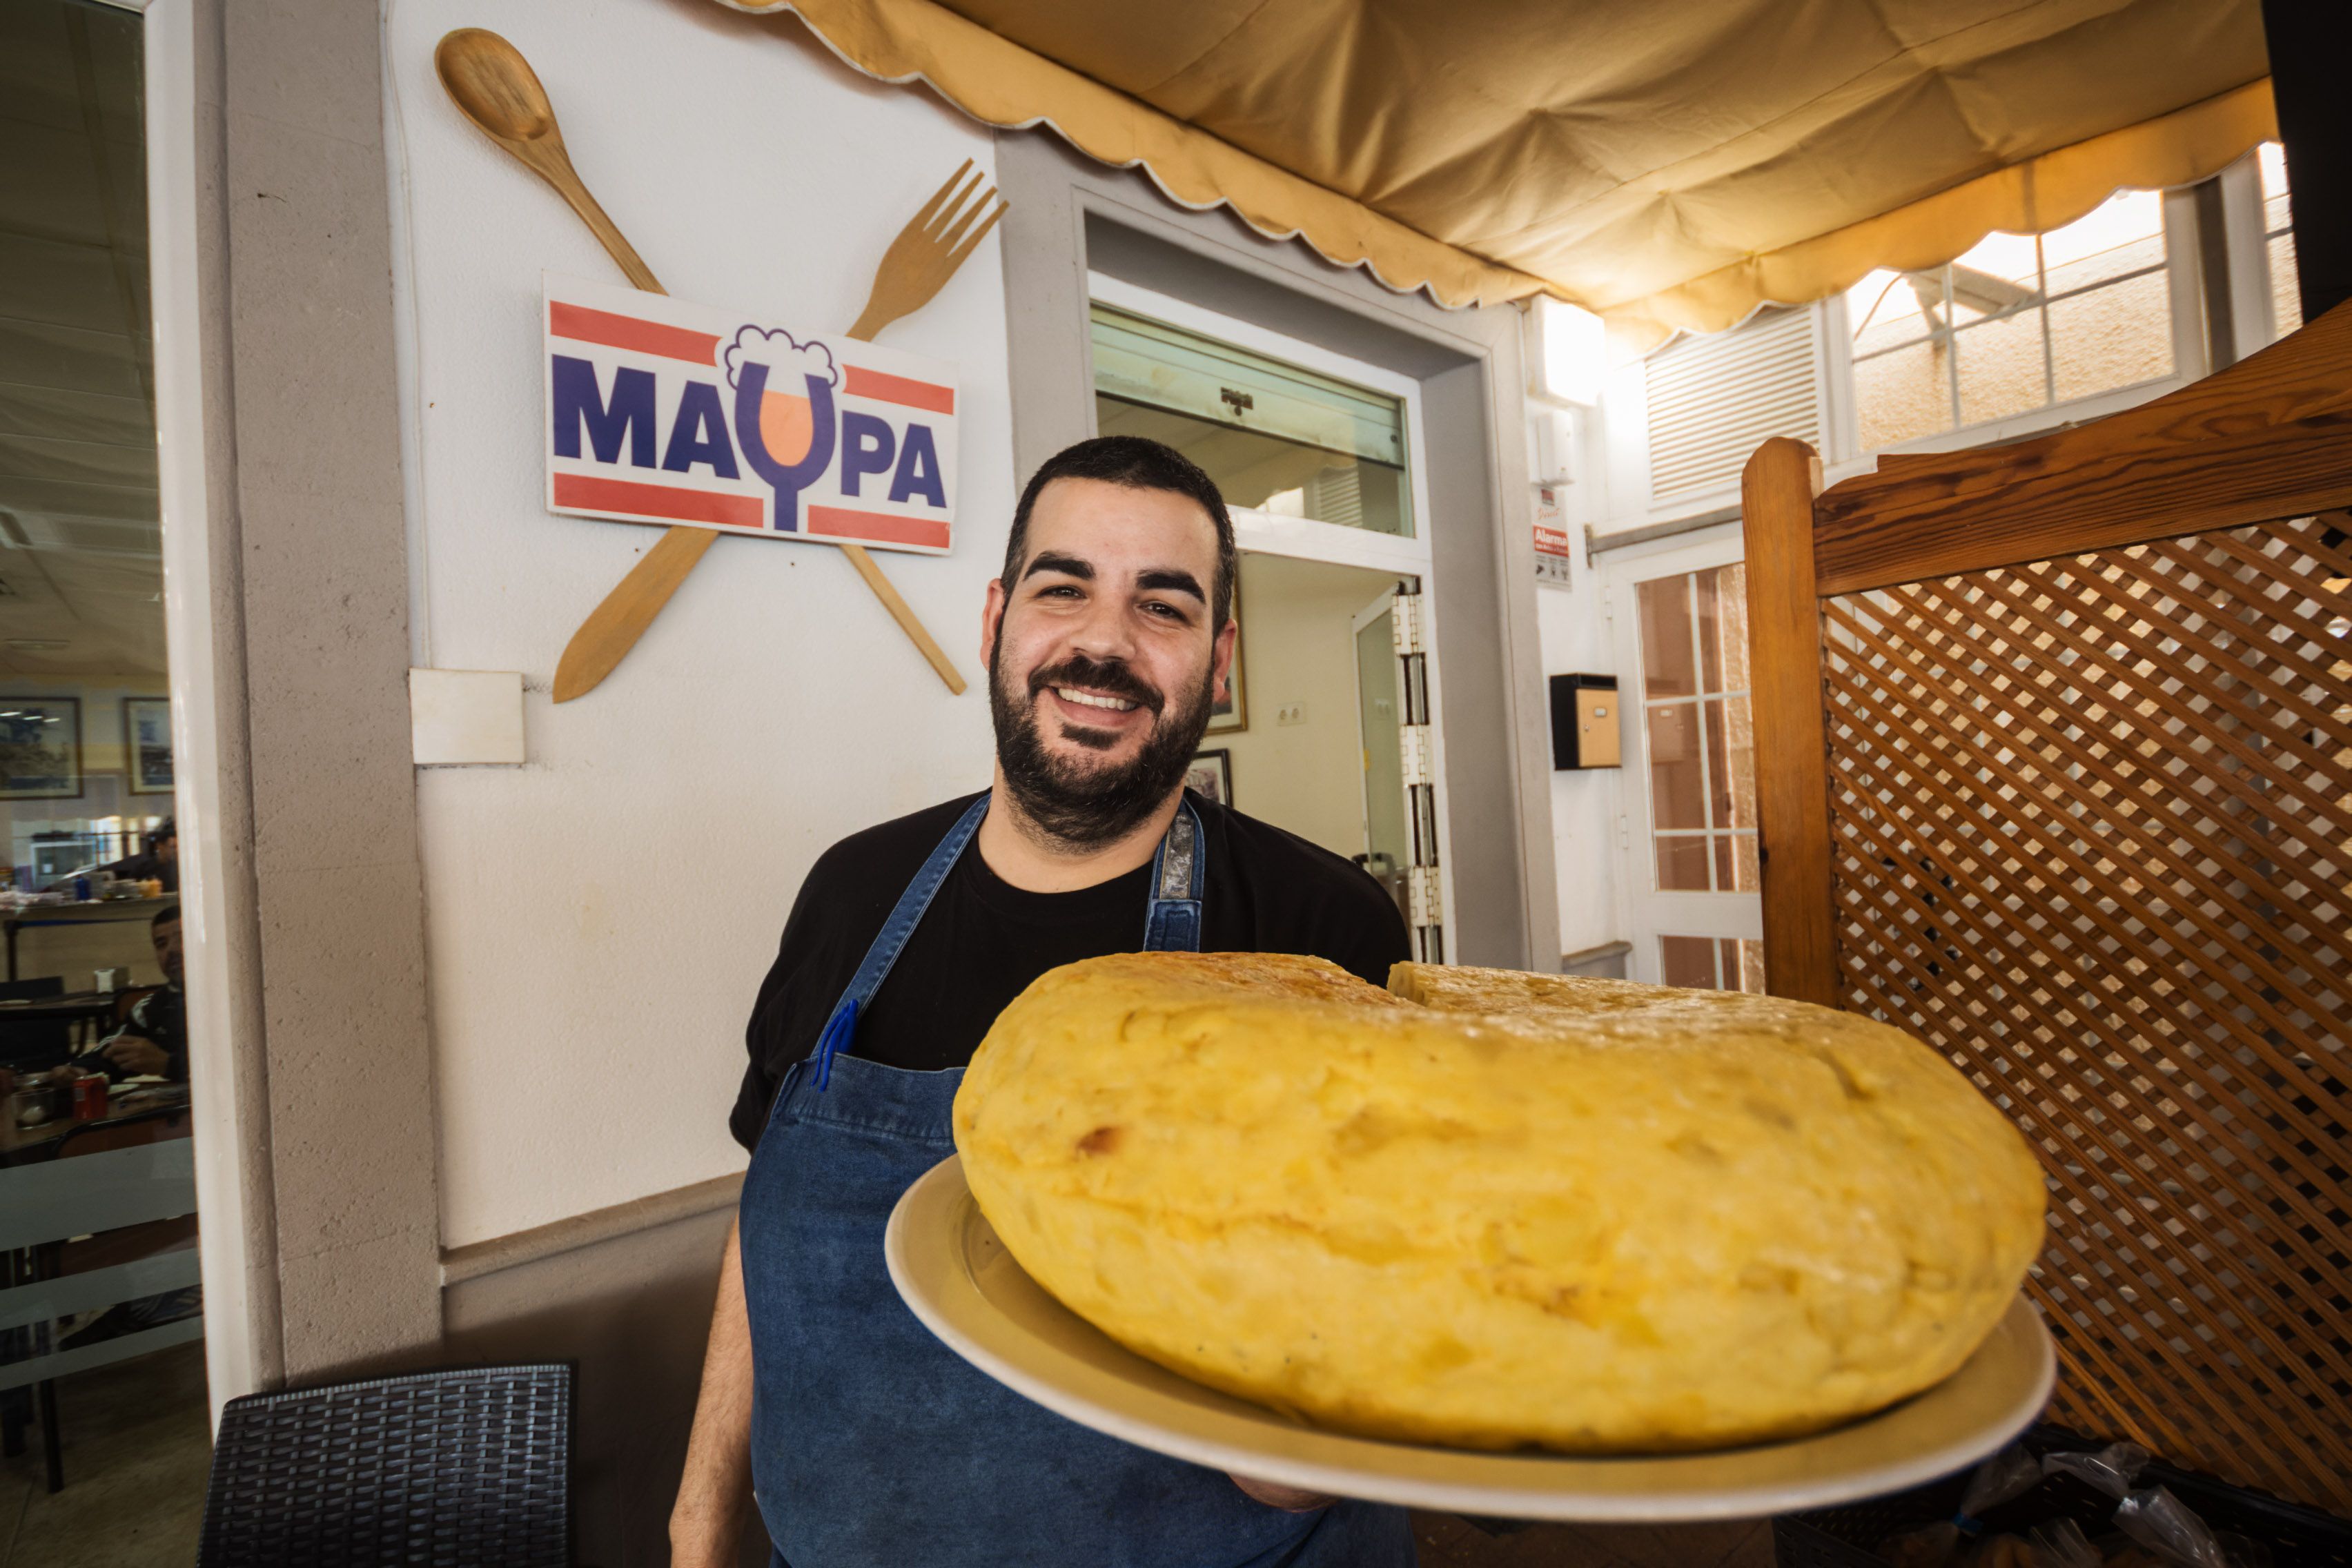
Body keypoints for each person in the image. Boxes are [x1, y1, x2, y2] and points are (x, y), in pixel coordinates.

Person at [670, 437, 1418, 1568]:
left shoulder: (1318, 931)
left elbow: (1351, 1336)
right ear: (994, 618)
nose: (1103, 641)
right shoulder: (853, 890)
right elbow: (761, 1219)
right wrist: (697, 1522)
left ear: (1218, 661)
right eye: (1062, 587)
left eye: (1160, 607)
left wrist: (1305, 1434)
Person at [88, 903, 187, 1082]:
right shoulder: (152, 1007)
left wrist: (168, 1064)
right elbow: (113, 1049)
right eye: (161, 944)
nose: (171, 950)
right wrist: (78, 1070)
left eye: (181, 938)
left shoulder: (235, 996)